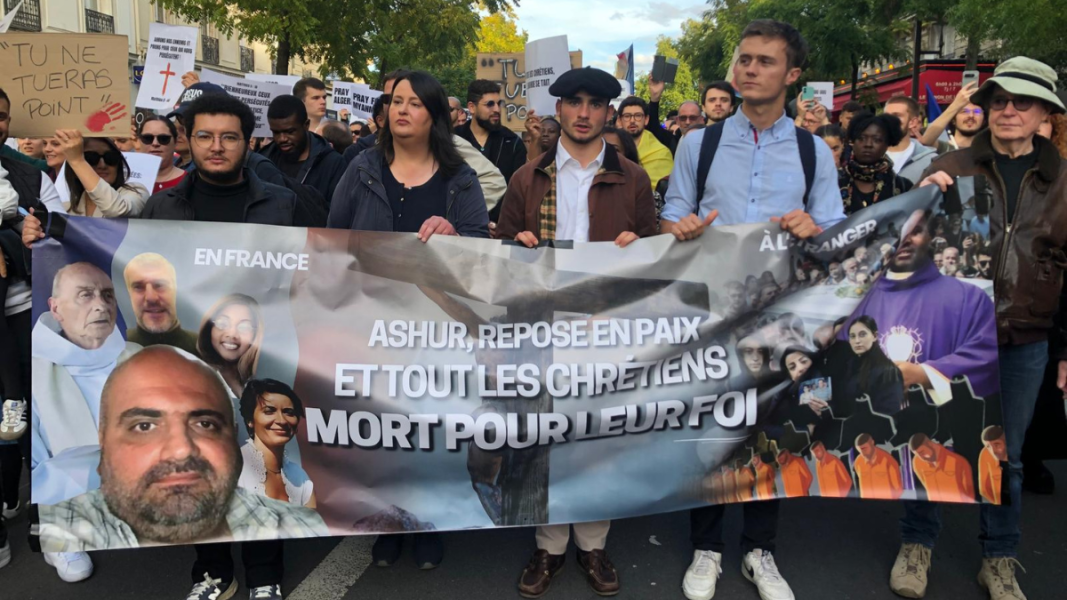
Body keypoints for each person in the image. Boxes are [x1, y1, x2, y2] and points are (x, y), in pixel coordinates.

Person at [664, 20, 844, 600]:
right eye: (744, 59)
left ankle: (759, 549)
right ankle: (707, 548)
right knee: (709, 427)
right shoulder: (700, 144)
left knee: (771, 429)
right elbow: (673, 214)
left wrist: (813, 228)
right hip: (711, 313)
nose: (749, 69)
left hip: (782, 316)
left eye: (765, 61)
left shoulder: (813, 152)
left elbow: (835, 232)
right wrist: (680, 226)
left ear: (793, 75)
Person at [895, 56, 1067, 600]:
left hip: (1024, 339)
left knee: (1007, 456)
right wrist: (921, 198)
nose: (1008, 110)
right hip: (951, 335)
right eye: (999, 100)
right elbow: (901, 241)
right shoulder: (952, 164)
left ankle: (999, 556)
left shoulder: (1063, 180)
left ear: (1045, 113)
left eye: (1022, 102)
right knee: (934, 439)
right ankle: (916, 543)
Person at [495, 67, 656, 599]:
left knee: (595, 438)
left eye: (595, 104)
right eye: (574, 102)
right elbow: (501, 252)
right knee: (543, 437)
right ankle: (549, 546)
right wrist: (516, 244)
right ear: (559, 109)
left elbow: (653, 254)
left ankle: (593, 544)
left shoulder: (633, 178)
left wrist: (638, 248)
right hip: (542, 326)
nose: (584, 113)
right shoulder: (527, 178)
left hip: (604, 328)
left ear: (608, 112)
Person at [328, 70, 489, 570]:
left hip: (436, 327)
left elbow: (481, 248)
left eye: (415, 103)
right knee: (381, 429)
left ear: (434, 116)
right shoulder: (361, 168)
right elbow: (334, 236)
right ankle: (391, 521)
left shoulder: (459, 177)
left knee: (433, 430)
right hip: (372, 322)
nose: (402, 109)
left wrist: (454, 235)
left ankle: (429, 522)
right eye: (397, 101)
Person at [37, 347, 328, 552]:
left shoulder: (298, 514)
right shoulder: (60, 520)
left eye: (204, 424)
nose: (180, 450)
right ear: (103, 440)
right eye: (144, 426)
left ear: (233, 435)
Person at [28, 262, 144, 582]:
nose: (100, 305)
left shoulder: (139, 355)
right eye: (85, 295)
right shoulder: (35, 369)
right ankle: (62, 534)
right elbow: (36, 459)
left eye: (107, 295)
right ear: (56, 308)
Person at [142, 92, 320, 227]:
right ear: (190, 140)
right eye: (204, 137)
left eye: (229, 137)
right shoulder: (160, 207)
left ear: (247, 143)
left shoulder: (285, 206)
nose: (216, 147)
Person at [237, 379, 316, 508]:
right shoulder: (234, 468)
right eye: (269, 411)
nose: (281, 420)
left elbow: (313, 520)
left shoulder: (300, 478)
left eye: (288, 412)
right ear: (250, 420)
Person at [262, 94, 347, 207]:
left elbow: (337, 211)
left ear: (306, 125)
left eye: (290, 132)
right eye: (276, 132)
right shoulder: (264, 159)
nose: (282, 139)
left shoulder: (333, 164)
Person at [51, 130, 148, 217]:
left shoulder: (137, 192)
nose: (102, 165)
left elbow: (117, 209)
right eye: (91, 158)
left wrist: (78, 161)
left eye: (110, 157)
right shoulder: (65, 210)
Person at [123, 252, 199, 355]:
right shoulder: (114, 350)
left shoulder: (207, 350)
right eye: (138, 287)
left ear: (177, 290)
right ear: (129, 293)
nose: (151, 298)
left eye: (160, 285)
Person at [839, 110, 913, 214]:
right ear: (853, 141)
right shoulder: (834, 181)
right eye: (861, 138)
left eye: (877, 140)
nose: (868, 144)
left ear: (887, 144)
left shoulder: (902, 187)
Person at [455, 79, 527, 185]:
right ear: (472, 107)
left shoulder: (512, 142)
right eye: (490, 104)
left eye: (499, 104)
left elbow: (520, 184)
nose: (497, 109)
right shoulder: (453, 140)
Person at [198, 294, 262, 397]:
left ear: (255, 335)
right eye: (222, 323)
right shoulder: (196, 376)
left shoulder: (260, 384)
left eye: (244, 327)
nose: (232, 334)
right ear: (209, 328)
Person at [616, 96, 674, 190]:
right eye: (627, 116)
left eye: (638, 116)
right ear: (619, 120)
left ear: (646, 119)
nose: (632, 121)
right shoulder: (609, 149)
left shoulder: (661, 153)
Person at [883, 95, 937, 185]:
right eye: (886, 116)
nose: (889, 120)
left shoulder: (930, 160)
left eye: (896, 116)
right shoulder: (869, 155)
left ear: (912, 122)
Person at [909, 433, 976, 503]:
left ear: (930, 444)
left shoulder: (959, 462)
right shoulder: (917, 462)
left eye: (922, 452)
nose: (921, 458)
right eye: (917, 454)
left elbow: (970, 496)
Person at [921, 81, 985, 153]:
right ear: (953, 120)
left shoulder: (987, 150)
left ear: (984, 120)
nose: (971, 115)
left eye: (977, 112)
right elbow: (926, 141)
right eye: (964, 111)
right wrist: (956, 105)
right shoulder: (946, 148)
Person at [137, 114, 187, 194]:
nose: (155, 143)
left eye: (163, 139)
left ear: (175, 142)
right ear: (139, 141)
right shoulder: (126, 180)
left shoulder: (189, 182)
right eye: (147, 138)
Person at [853, 433, 903, 499]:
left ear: (872, 442)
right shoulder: (858, 462)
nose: (862, 453)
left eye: (865, 448)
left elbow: (898, 488)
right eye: (859, 450)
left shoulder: (889, 461)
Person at [979, 425, 1006, 505]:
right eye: (988, 446)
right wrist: (997, 503)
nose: (993, 451)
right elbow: (984, 489)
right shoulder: (985, 454)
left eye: (997, 445)